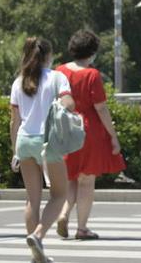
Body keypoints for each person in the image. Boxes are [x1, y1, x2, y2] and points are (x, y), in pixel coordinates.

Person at [52, 29, 124, 241]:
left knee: (71, 178)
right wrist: (113, 136)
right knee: (86, 181)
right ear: (92, 51)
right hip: (88, 131)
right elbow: (101, 108)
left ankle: (63, 214)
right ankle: (82, 228)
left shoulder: (60, 71)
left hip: (65, 130)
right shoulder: (92, 74)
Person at [10, 36, 75, 263]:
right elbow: (68, 103)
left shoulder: (18, 82)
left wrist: (15, 153)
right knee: (60, 194)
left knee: (32, 199)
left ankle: (36, 256)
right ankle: (38, 235)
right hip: (47, 142)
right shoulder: (57, 77)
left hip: (24, 142)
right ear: (48, 56)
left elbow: (14, 121)